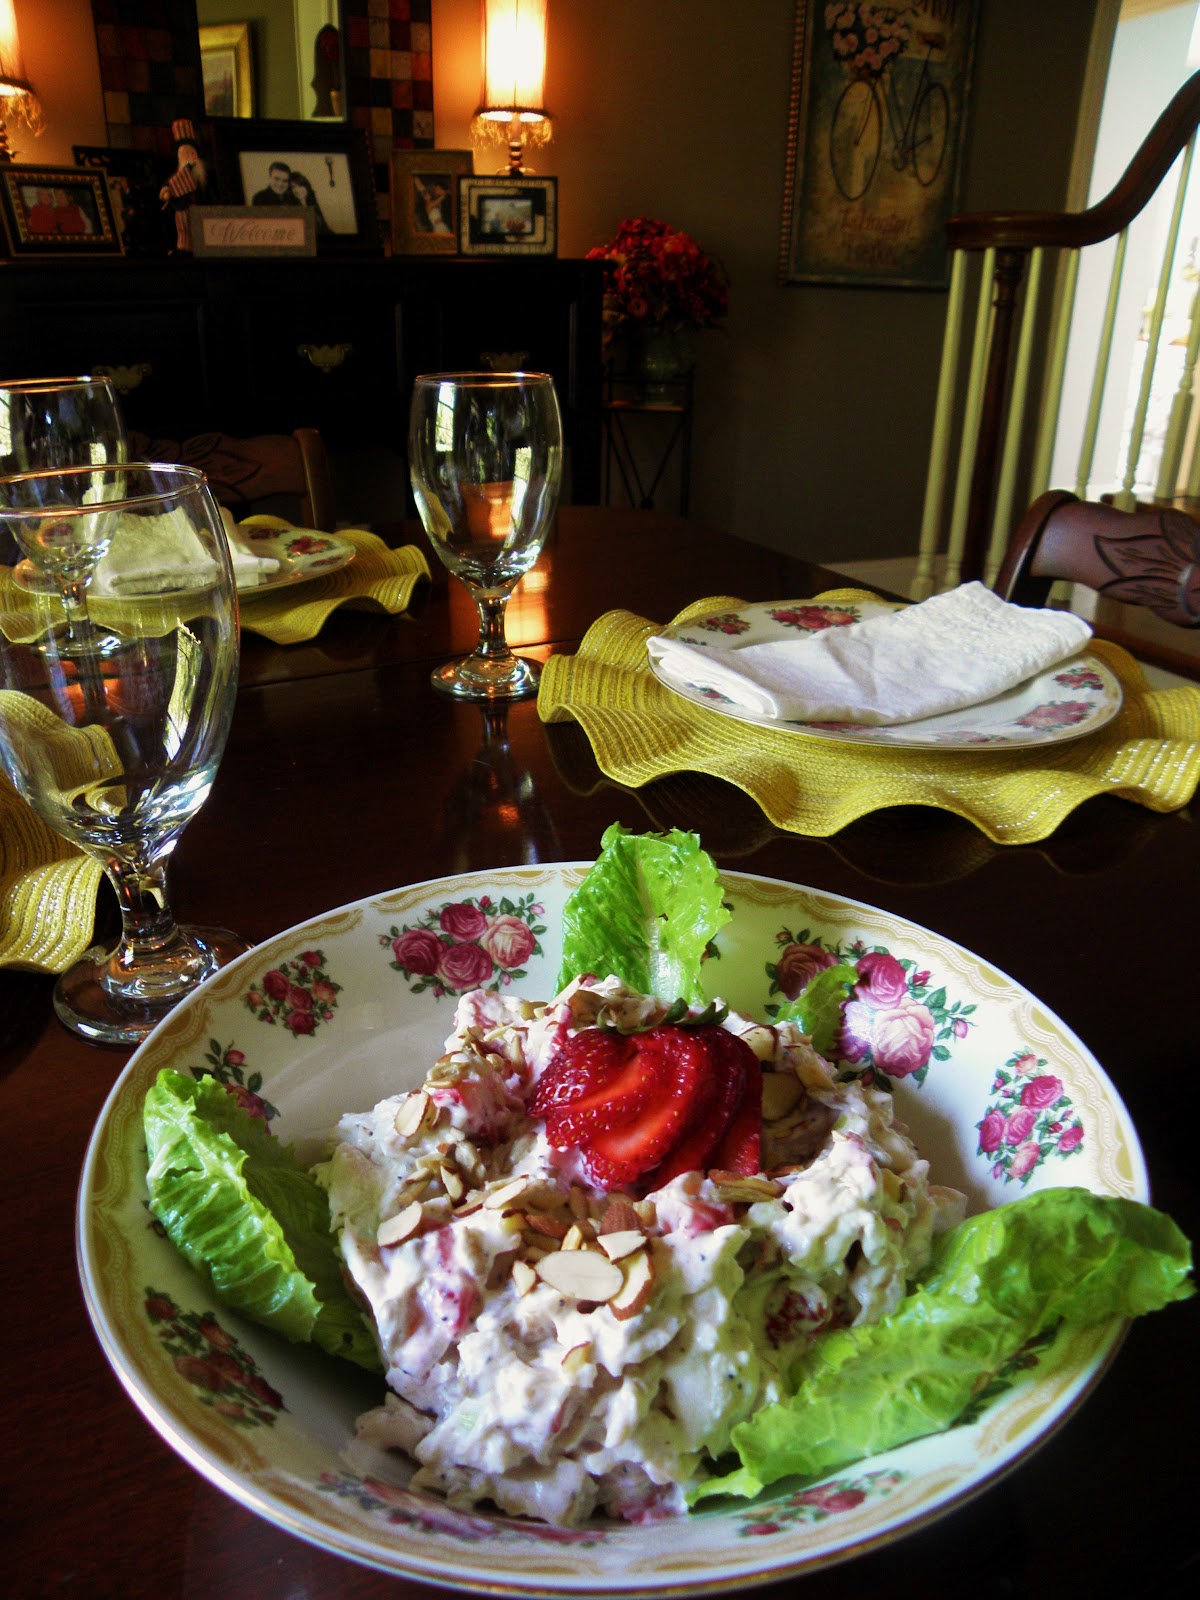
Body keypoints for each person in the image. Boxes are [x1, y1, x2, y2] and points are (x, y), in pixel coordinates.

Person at [158, 118, 207, 252]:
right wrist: (167, 193)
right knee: (184, 230)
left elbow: (208, 192)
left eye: (192, 153)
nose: (190, 155)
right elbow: (166, 187)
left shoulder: (200, 175)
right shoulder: (176, 177)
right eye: (186, 153)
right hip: (182, 208)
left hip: (199, 210)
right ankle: (183, 249)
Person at [288, 170, 331, 234]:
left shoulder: (313, 203)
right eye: (293, 187)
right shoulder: (292, 209)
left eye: (300, 185)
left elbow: (324, 227)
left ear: (306, 186)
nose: (297, 190)